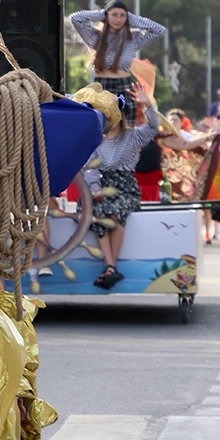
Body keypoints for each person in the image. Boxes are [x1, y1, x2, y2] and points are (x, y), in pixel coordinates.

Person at [71, 81, 160, 290]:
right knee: (98, 212)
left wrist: (148, 105)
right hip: (101, 185)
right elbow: (90, 168)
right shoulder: (95, 140)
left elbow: (154, 127)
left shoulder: (133, 136)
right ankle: (110, 267)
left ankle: (110, 268)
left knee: (115, 213)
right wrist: (94, 190)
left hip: (125, 186)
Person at [69, 0, 167, 127]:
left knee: (126, 131)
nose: (118, 19)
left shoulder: (132, 38)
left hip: (124, 86)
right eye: (114, 15)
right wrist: (102, 15)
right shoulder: (95, 37)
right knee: (100, 127)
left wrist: (131, 18)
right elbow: (75, 18)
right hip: (101, 86)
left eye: (122, 16)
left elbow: (160, 30)